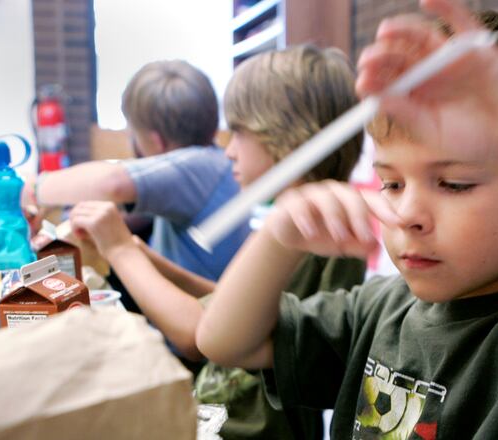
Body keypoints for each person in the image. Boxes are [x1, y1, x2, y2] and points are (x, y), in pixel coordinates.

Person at [196, 2, 498, 439]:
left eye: (454, 183)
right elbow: (224, 340)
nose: (407, 214)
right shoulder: (376, 311)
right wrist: (282, 237)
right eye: (391, 184)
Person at [70, 45, 366, 439]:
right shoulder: (290, 224)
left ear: (287, 136)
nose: (228, 150)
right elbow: (236, 307)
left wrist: (121, 251)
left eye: (240, 133)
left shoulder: (314, 234)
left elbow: (201, 337)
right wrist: (144, 254)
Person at [24, 60, 250, 283]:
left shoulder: (196, 166)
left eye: (133, 135)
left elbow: (112, 183)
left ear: (157, 142)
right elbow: (131, 215)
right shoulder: (212, 164)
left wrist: (30, 189)